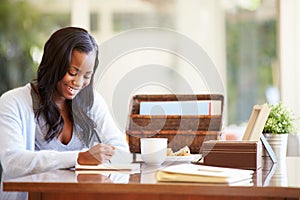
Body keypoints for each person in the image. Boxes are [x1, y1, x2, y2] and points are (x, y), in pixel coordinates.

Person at [0, 27, 129, 179]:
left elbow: (122, 151)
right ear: (54, 65)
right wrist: (78, 158)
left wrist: (101, 156)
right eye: (72, 73)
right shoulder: (13, 102)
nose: (78, 83)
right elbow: (13, 163)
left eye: (87, 75)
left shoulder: (92, 103)